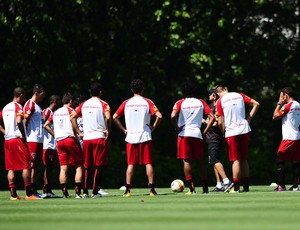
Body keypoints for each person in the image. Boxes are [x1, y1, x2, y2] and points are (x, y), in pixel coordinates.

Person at [113, 79, 162, 197]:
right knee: (148, 163)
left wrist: (124, 130)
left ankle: (128, 190)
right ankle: (152, 190)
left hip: (131, 137)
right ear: (143, 89)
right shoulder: (147, 101)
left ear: (131, 90)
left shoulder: (126, 102)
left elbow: (115, 116)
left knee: (130, 164)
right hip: (145, 135)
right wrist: (153, 128)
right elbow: (159, 116)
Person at [171, 81, 214, 195]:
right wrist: (205, 131)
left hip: (184, 135)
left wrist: (177, 127)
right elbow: (212, 117)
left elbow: (172, 116)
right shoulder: (201, 102)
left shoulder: (180, 102)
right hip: (197, 134)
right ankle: (205, 188)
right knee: (200, 161)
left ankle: (192, 189)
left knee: (186, 161)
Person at [215, 85, 260, 193]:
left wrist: (223, 132)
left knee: (236, 160)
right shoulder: (239, 95)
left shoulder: (220, 101)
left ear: (217, 94)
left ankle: (236, 188)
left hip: (231, 132)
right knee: (244, 159)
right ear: (226, 89)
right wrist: (249, 117)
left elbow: (220, 121)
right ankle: (246, 187)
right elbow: (256, 104)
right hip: (244, 130)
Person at [0, 87, 41, 200]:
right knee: (26, 166)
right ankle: (29, 194)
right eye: (23, 97)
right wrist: (23, 134)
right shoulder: (18, 106)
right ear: (21, 95)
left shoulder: (5, 108)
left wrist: (5, 132)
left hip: (7, 140)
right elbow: (19, 121)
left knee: (11, 168)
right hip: (17, 139)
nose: (24, 99)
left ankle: (13, 195)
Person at [73, 82, 111, 198]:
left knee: (87, 166)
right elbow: (108, 117)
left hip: (87, 138)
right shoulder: (103, 104)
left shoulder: (84, 104)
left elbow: (72, 117)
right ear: (100, 92)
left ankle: (85, 192)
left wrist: (79, 132)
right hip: (99, 137)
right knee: (98, 166)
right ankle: (95, 192)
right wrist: (107, 129)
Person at [44, 92, 84, 198]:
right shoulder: (71, 111)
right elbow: (75, 122)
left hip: (59, 141)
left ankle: (65, 192)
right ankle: (77, 192)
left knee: (63, 167)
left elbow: (46, 125)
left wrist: (55, 134)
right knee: (79, 165)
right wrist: (79, 133)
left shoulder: (56, 112)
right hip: (70, 139)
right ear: (70, 101)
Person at [272, 87, 300, 191]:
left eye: (281, 96)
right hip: (297, 136)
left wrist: (279, 103)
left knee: (280, 159)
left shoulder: (288, 106)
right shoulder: (298, 104)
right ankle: (295, 186)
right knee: (296, 161)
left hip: (288, 137)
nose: (281, 98)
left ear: (285, 95)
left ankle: (281, 186)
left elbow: (275, 116)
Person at [203, 88, 231, 192]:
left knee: (215, 160)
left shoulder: (218, 106)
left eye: (210, 94)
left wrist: (204, 121)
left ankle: (226, 181)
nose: (209, 96)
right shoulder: (210, 106)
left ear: (214, 96)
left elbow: (215, 123)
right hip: (210, 137)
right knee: (213, 161)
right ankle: (219, 184)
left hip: (215, 137)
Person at [23, 83, 46, 197]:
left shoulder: (38, 106)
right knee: (32, 164)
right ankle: (30, 191)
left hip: (39, 139)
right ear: (36, 93)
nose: (43, 96)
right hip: (32, 138)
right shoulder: (30, 104)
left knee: (36, 165)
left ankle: (34, 189)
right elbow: (25, 121)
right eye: (42, 93)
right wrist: (25, 135)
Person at [42, 95, 61, 198]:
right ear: (54, 101)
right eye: (58, 101)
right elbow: (43, 125)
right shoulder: (47, 111)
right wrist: (54, 134)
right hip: (48, 144)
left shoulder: (53, 113)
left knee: (50, 167)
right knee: (48, 167)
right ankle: (47, 190)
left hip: (52, 145)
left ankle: (47, 189)